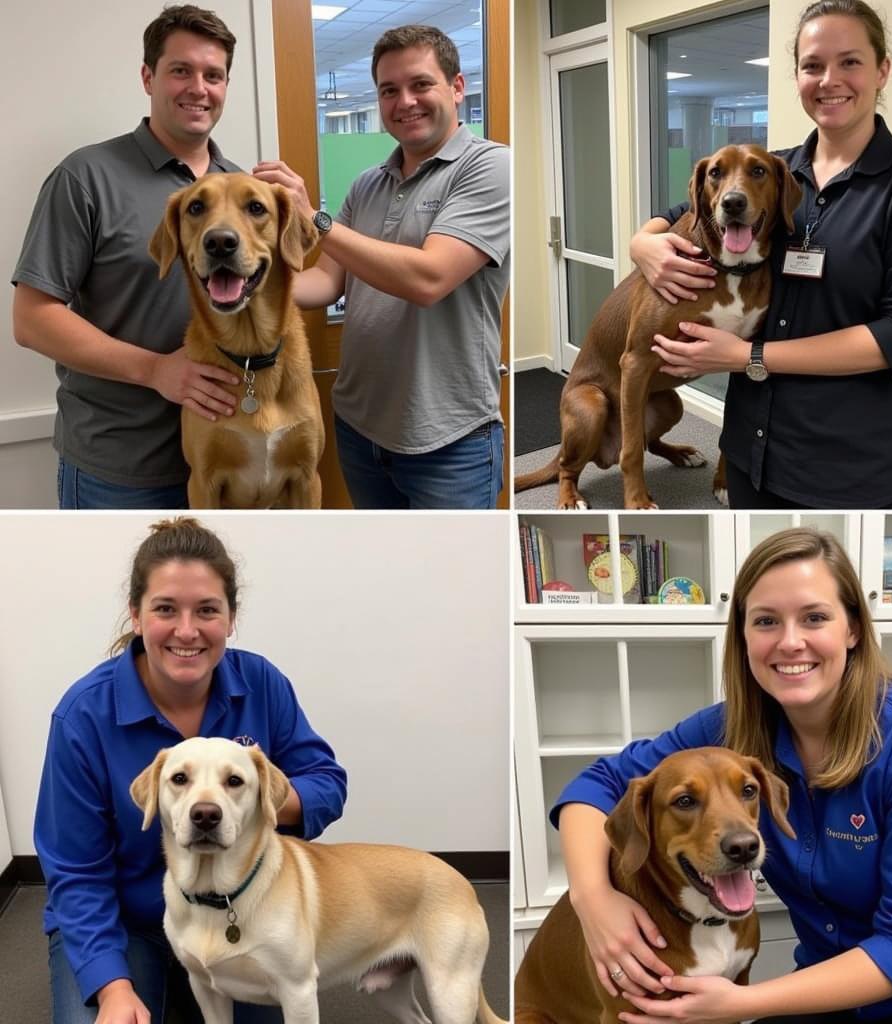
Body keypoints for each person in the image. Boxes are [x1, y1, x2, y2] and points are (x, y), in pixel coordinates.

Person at [553, 527, 892, 1024]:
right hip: (831, 985)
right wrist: (594, 901)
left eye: (815, 617)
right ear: (743, 636)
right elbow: (598, 784)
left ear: (853, 629)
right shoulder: (729, 729)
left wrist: (740, 1006)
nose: (790, 642)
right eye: (766, 621)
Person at [629, 0, 892, 510]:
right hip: (755, 453)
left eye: (850, 61)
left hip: (862, 466)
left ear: (882, 70)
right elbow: (685, 207)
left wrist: (749, 357)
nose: (830, 79)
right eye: (813, 65)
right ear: (797, 77)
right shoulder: (776, 167)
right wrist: (644, 242)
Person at [35, 518, 348, 1024]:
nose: (186, 630)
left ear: (230, 618)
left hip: (242, 910)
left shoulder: (262, 682)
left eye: (206, 610)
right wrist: (113, 987)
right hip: (126, 922)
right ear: (136, 615)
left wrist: (252, 795)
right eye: (165, 609)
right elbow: (75, 872)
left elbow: (326, 782)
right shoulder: (83, 716)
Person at [253, 24, 510, 510]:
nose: (404, 101)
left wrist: (312, 217)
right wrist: (244, 286)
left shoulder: (491, 168)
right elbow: (325, 282)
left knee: (448, 579)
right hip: (359, 427)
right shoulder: (367, 184)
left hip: (449, 442)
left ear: (457, 87)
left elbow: (429, 278)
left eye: (421, 84)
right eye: (389, 90)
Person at [12, 5, 244, 510]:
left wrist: (317, 232)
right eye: (180, 70)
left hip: (223, 458)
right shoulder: (85, 176)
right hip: (120, 470)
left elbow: (278, 292)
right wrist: (156, 369)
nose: (198, 88)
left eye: (213, 75)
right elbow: (32, 320)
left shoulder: (242, 188)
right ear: (148, 77)